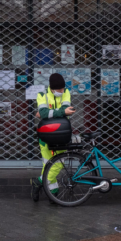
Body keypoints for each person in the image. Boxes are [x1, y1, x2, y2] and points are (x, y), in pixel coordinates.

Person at [30, 73, 76, 202]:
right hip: (46, 135)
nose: (61, 92)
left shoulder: (66, 92)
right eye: (58, 90)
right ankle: (53, 192)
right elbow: (46, 113)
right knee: (47, 164)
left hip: (60, 134)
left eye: (62, 89)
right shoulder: (41, 95)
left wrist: (48, 114)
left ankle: (39, 182)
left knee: (58, 164)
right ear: (51, 88)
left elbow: (48, 112)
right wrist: (60, 112)